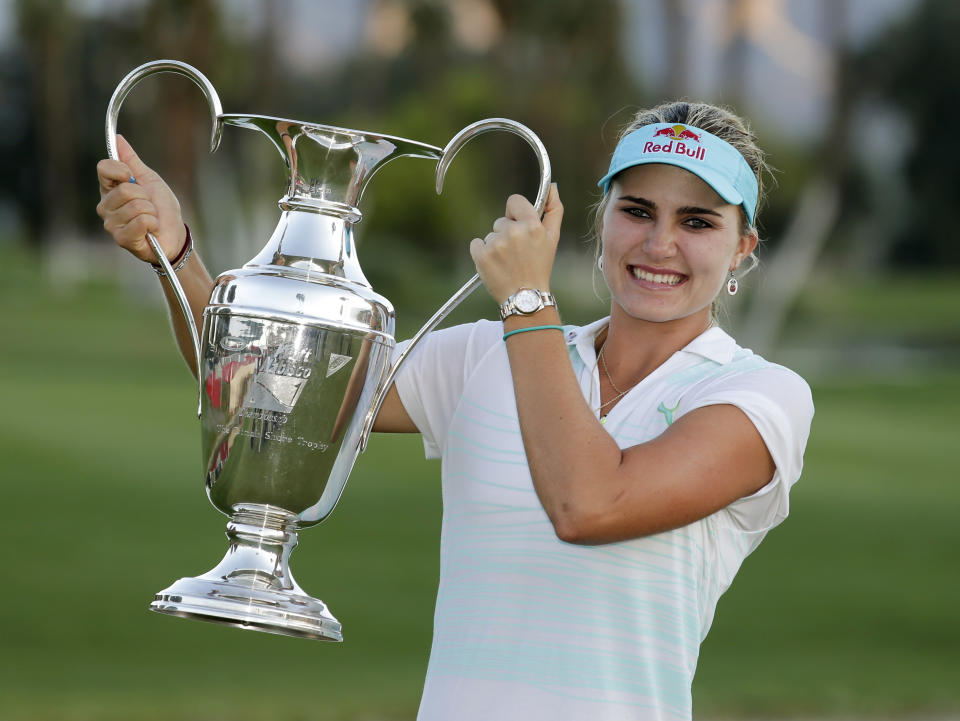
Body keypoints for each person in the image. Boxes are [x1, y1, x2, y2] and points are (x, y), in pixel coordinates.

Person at [97, 100, 813, 721]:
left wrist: (526, 302)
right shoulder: (485, 354)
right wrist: (175, 252)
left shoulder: (759, 395)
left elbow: (590, 503)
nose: (660, 244)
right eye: (637, 211)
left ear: (743, 245)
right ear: (601, 220)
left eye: (697, 221)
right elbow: (266, 392)